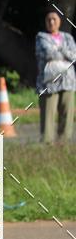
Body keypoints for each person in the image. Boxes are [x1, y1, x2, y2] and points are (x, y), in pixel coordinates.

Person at [35, 9, 76, 143]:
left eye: (54, 19)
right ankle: (47, 143)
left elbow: (74, 56)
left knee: (67, 114)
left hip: (67, 80)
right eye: (49, 20)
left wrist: (59, 49)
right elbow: (47, 54)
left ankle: (63, 143)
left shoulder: (68, 37)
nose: (51, 22)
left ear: (60, 22)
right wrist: (65, 53)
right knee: (48, 114)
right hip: (48, 82)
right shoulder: (41, 37)